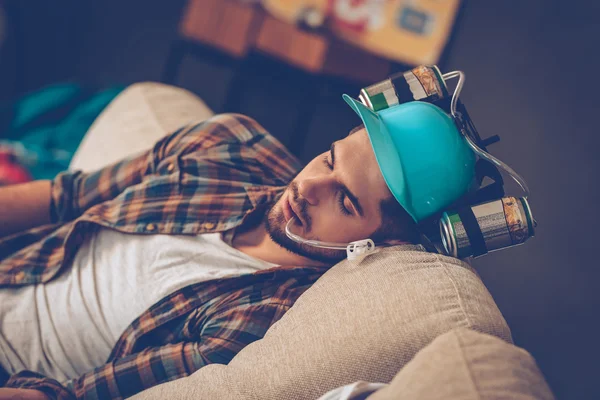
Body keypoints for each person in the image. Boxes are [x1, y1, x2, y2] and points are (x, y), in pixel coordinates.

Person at [0, 92, 475, 399]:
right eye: (328, 160)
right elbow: (66, 196)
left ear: (383, 246)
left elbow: (71, 397)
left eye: (345, 202)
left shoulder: (264, 318)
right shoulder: (228, 142)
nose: (309, 188)